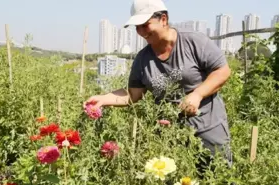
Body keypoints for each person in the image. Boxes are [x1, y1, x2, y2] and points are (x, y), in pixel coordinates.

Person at [84, 0, 233, 178]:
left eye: (145, 25)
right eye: (137, 27)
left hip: (208, 128)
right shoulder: (142, 59)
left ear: (163, 19)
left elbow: (222, 71)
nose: (141, 32)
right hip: (170, 135)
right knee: (176, 179)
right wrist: (103, 98)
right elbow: (133, 95)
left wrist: (197, 94)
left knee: (218, 177)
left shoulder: (193, 41)